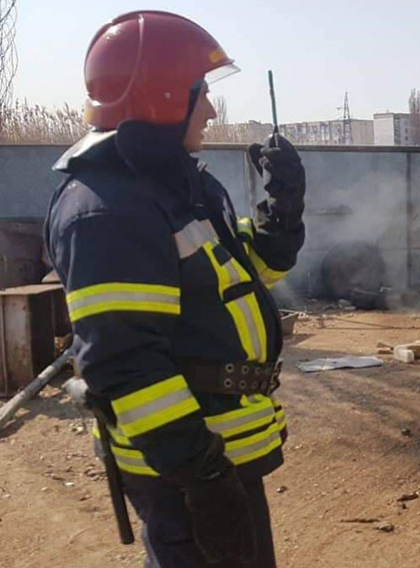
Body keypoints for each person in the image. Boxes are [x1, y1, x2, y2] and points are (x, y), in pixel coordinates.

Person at [45, 11, 306, 567]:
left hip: (217, 451)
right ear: (162, 97)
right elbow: (125, 364)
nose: (210, 109)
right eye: (201, 93)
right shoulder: (109, 210)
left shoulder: (175, 185)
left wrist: (282, 210)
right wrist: (203, 477)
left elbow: (240, 279)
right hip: (183, 468)